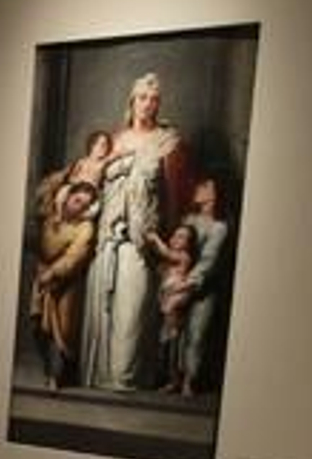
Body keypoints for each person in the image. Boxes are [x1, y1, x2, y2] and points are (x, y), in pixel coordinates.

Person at [81, 72, 193, 391]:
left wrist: (164, 243)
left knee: (132, 314)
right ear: (132, 101)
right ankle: (101, 379)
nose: (147, 104)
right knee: (106, 309)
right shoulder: (115, 140)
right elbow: (92, 184)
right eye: (142, 97)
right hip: (108, 236)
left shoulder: (167, 142)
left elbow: (175, 197)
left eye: (153, 99)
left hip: (143, 239)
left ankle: (124, 380)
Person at [30, 180, 98, 389]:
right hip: (42, 277)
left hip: (66, 284)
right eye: (77, 200)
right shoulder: (51, 217)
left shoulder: (85, 227)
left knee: (63, 331)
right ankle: (49, 371)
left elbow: (75, 256)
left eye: (86, 205)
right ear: (68, 196)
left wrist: (53, 272)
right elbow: (41, 242)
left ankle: (59, 377)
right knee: (38, 326)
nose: (80, 207)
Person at [180, 177, 233, 396]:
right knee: (176, 333)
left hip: (202, 288)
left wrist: (187, 285)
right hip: (178, 282)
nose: (198, 189)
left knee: (196, 333)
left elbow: (208, 261)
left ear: (215, 195)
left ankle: (189, 381)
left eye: (205, 187)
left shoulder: (219, 226)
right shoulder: (188, 219)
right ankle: (174, 377)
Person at [145, 224, 197, 393]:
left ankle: (178, 380)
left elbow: (165, 253)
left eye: (182, 237)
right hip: (166, 301)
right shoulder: (168, 262)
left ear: (189, 244)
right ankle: (170, 379)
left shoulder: (184, 257)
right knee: (166, 344)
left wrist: (154, 238)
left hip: (176, 301)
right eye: (175, 235)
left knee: (174, 343)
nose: (176, 239)